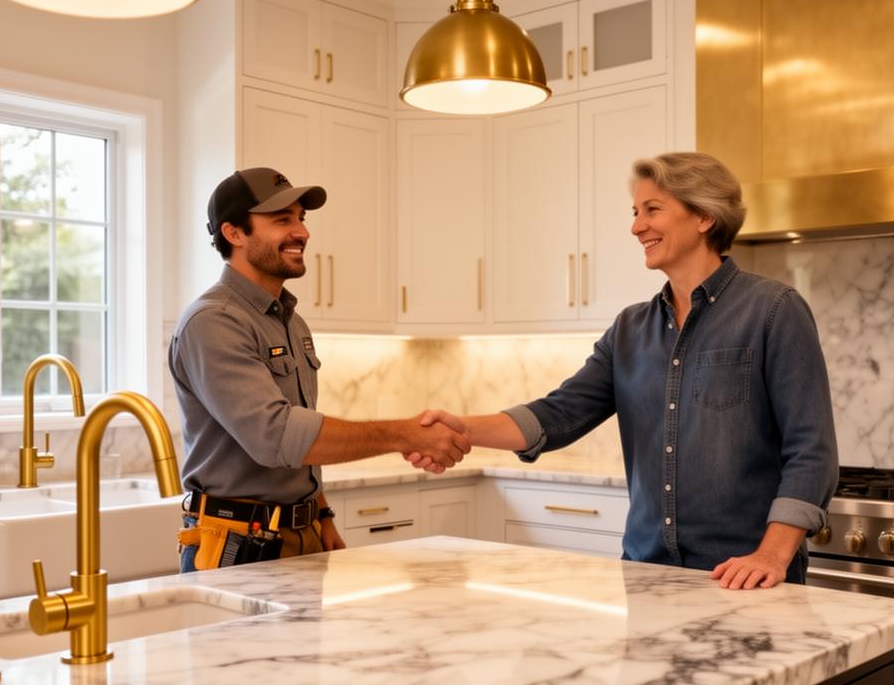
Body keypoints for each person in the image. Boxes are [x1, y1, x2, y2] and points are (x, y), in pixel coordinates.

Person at [409, 152, 838, 590]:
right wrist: (460, 428)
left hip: (743, 577)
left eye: (653, 210)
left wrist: (771, 554)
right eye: (635, 213)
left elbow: (811, 450)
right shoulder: (631, 328)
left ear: (705, 216)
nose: (637, 227)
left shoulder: (774, 310)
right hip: (646, 573)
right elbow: (558, 414)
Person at [169, 167, 471, 572]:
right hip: (236, 545)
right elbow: (276, 435)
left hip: (301, 533)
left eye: (301, 218)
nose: (302, 233)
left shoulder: (290, 320)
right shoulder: (213, 322)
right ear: (234, 233)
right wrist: (403, 433)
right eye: (282, 220)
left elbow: (302, 433)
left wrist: (320, 512)